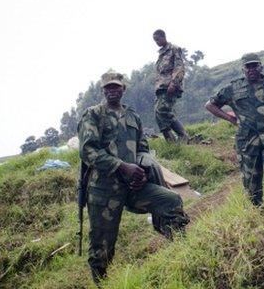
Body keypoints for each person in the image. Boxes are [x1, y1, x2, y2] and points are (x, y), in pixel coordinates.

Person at [78, 71, 189, 283]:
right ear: (103, 90)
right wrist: (121, 166)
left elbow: (143, 148)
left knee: (171, 201)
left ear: (123, 89)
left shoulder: (132, 116)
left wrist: (144, 170)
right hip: (104, 190)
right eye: (108, 87)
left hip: (133, 187)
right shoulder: (93, 114)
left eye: (116, 87)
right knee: (102, 245)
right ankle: (102, 283)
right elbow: (88, 151)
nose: (112, 91)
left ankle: (181, 255)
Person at [205, 53, 264, 206]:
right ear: (243, 69)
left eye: (254, 65)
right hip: (247, 142)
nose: (251, 69)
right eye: (248, 66)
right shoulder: (233, 88)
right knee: (251, 184)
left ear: (261, 66)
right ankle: (258, 214)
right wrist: (231, 118)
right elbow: (210, 105)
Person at [152, 29, 190, 143]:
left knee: (163, 111)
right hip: (161, 87)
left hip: (170, 86)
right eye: (155, 40)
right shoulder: (161, 53)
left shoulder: (173, 49)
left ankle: (183, 135)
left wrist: (174, 83)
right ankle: (171, 142)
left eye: (158, 39)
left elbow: (179, 67)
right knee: (158, 113)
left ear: (163, 37)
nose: (156, 42)